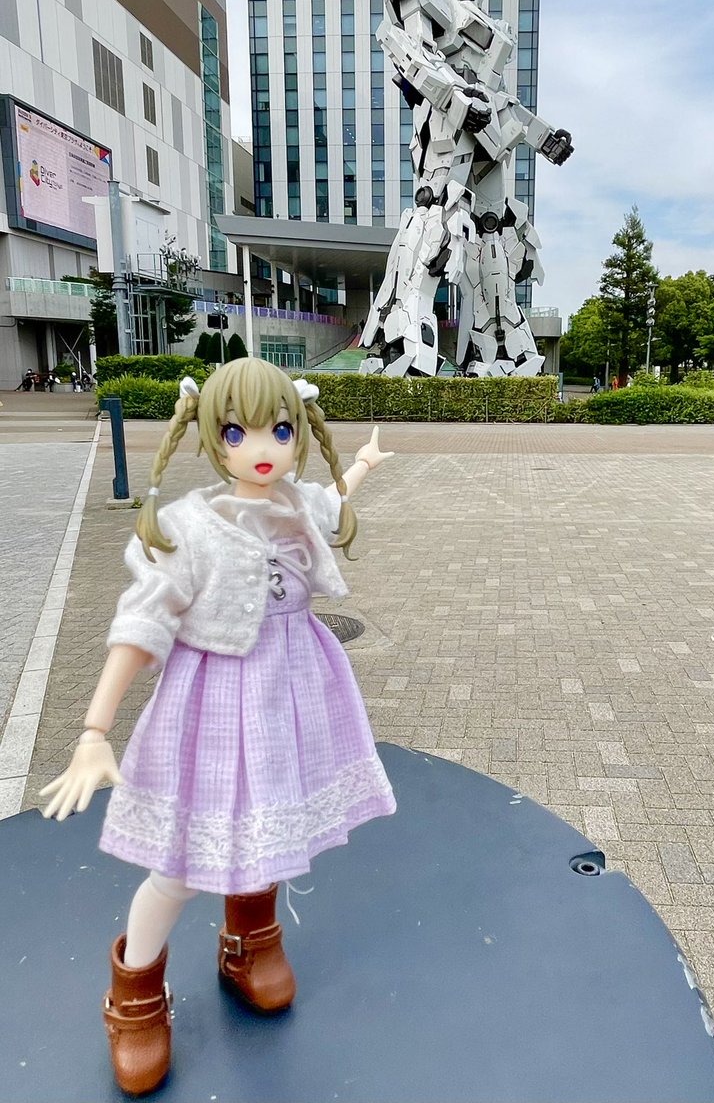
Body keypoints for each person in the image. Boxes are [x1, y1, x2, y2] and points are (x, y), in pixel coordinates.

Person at [40, 358, 397, 1096]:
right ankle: (135, 992)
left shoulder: (298, 503)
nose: (261, 448)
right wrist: (93, 731)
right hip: (211, 704)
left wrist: (362, 464)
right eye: (237, 433)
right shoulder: (188, 530)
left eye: (280, 431)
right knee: (178, 861)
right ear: (210, 436)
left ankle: (250, 940)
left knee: (271, 822)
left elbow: (332, 503)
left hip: (292, 694)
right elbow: (141, 626)